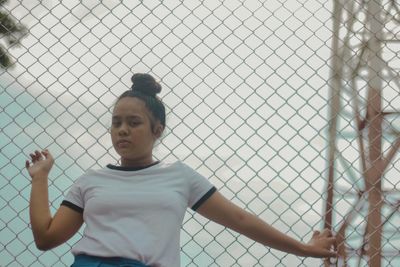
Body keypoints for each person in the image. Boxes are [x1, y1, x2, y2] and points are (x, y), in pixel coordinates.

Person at [26, 73, 337, 267]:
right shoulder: (90, 181)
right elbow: (47, 237)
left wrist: (302, 249)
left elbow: (239, 219)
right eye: (116, 122)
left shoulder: (180, 177)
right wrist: (40, 179)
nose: (122, 130)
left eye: (133, 123)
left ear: (157, 129)